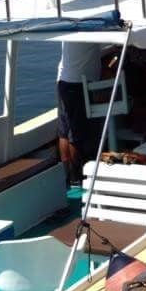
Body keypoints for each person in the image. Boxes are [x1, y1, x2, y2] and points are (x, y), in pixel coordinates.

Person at [56, 41, 103, 184]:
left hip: (63, 80)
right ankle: (78, 177)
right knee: (76, 135)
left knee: (64, 133)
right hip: (79, 82)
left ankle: (68, 177)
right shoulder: (93, 25)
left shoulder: (70, 21)